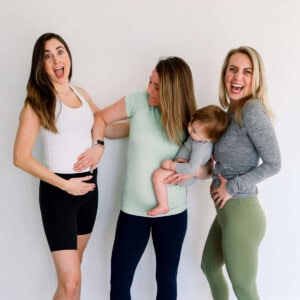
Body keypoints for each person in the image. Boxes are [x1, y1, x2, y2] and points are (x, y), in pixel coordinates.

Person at [78, 56, 207, 300]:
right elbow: (101, 118)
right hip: (133, 213)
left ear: (172, 90)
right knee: (119, 284)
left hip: (173, 214)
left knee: (166, 282)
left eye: (156, 86)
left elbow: (207, 168)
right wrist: (98, 146)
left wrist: (191, 171)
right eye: (150, 81)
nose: (149, 89)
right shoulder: (137, 102)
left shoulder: (192, 121)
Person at [13, 33, 102, 300]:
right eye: (47, 56)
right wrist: (66, 185)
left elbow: (103, 122)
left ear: (69, 56)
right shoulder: (37, 102)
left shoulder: (82, 94)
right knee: (71, 282)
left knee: (73, 276)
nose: (56, 60)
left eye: (60, 51)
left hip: (89, 190)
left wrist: (142, 125)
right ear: (40, 66)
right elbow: (21, 157)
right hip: (59, 195)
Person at [200, 46, 281, 300]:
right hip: (227, 212)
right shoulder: (230, 113)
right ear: (225, 73)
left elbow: (274, 163)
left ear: (255, 79)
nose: (238, 77)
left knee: (244, 289)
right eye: (233, 69)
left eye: (247, 72)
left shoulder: (251, 111)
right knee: (210, 267)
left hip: (242, 213)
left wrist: (231, 187)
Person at [147, 105, 229, 216]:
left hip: (184, 172)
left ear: (208, 138)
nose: (189, 129)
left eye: (194, 131)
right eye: (191, 122)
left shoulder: (201, 147)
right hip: (183, 168)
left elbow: (192, 168)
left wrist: (171, 165)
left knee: (157, 176)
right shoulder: (200, 138)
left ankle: (163, 205)